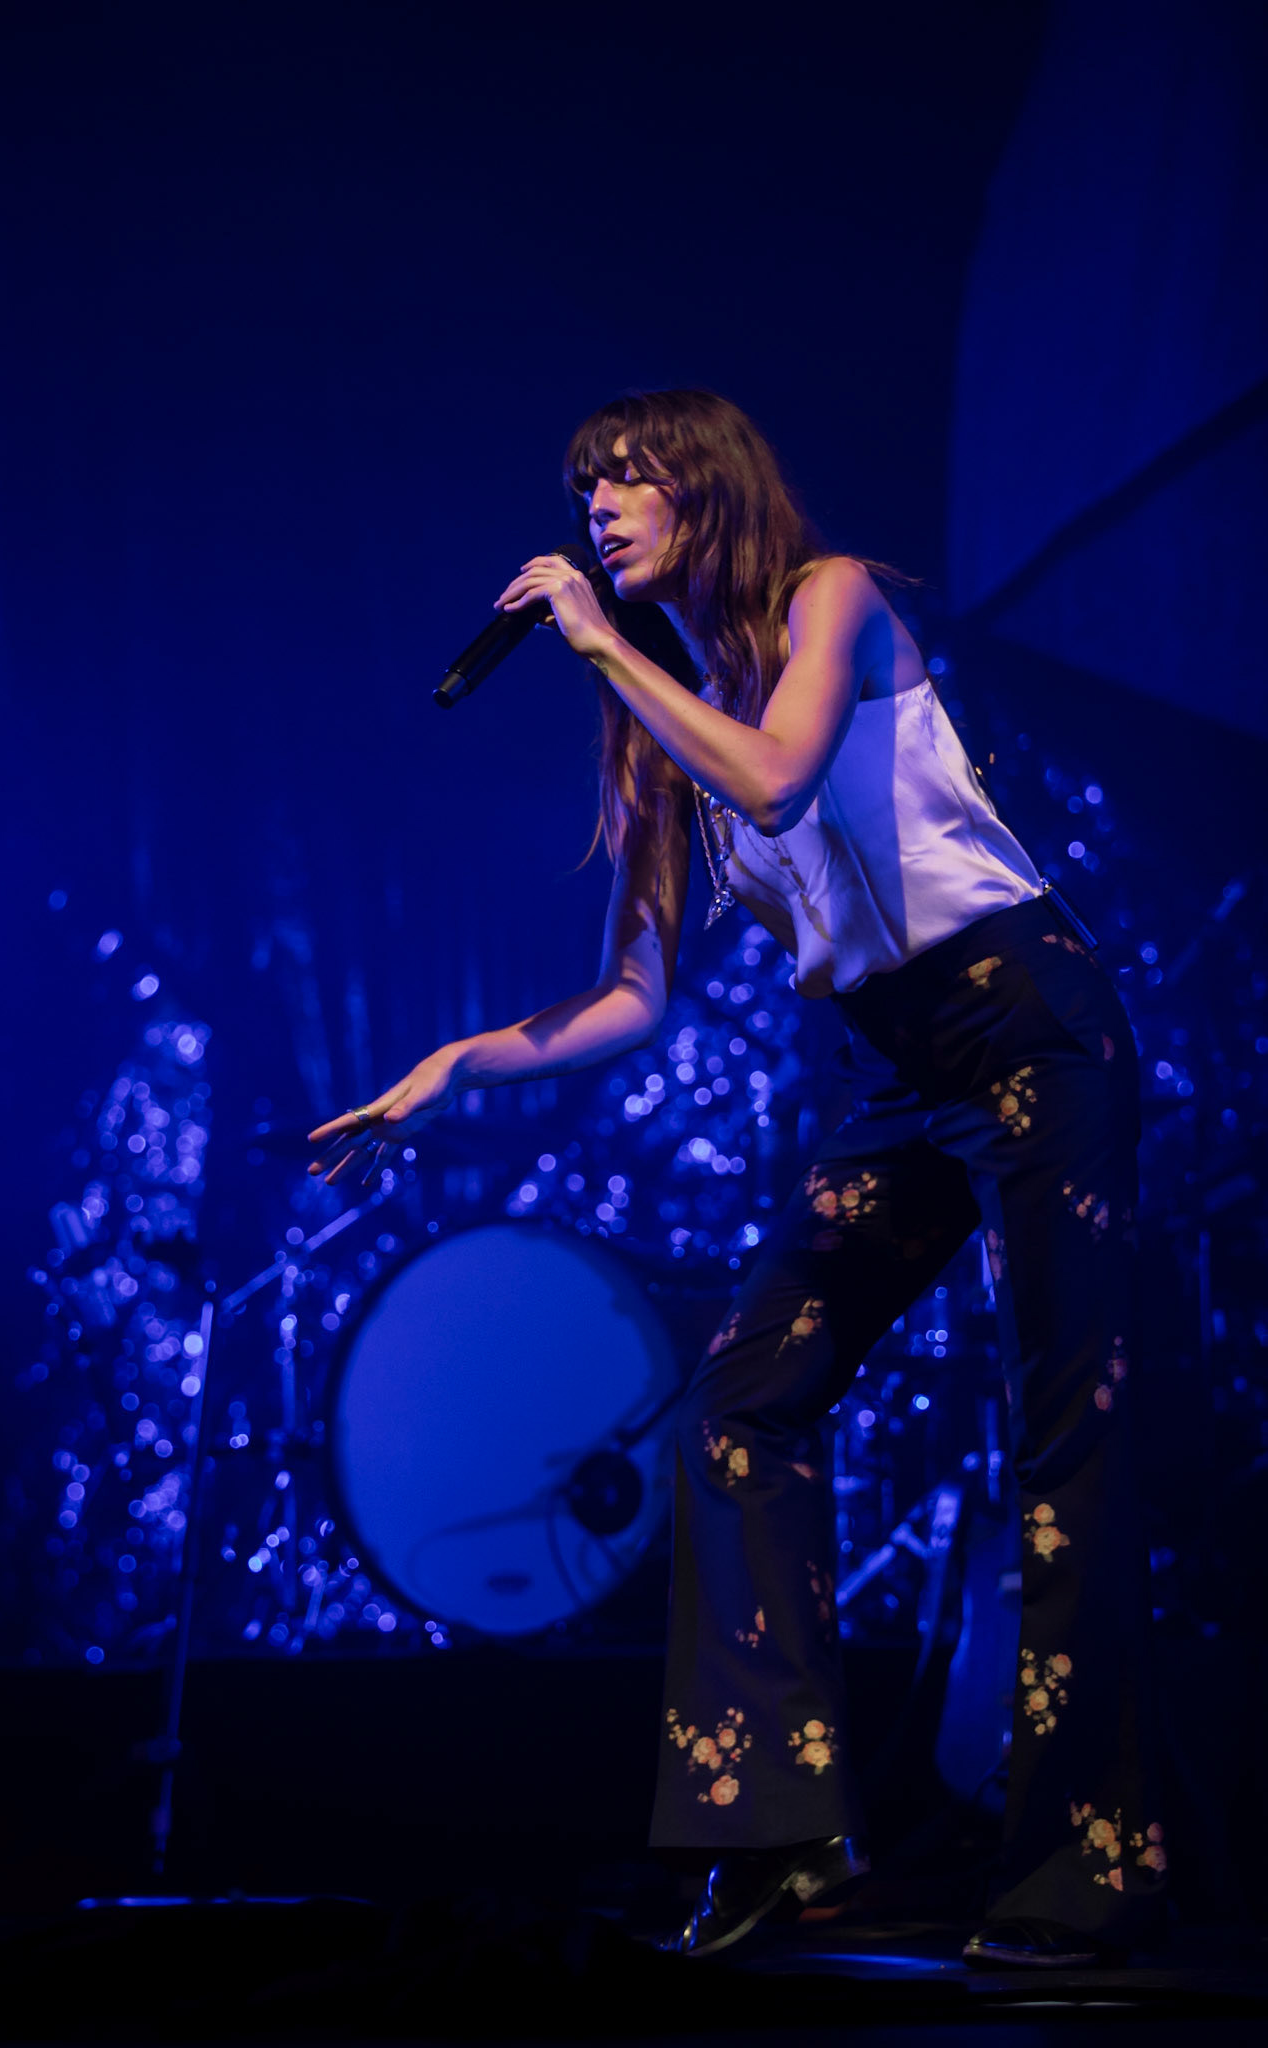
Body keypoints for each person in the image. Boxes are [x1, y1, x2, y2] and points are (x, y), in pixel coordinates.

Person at [308, 389, 1166, 1967]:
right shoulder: (658, 735)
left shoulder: (829, 599)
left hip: (1024, 1023)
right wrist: (454, 1066)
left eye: (627, 479)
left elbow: (779, 780)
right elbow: (629, 999)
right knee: (736, 1404)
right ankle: (776, 1836)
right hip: (889, 1069)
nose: (600, 512)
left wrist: (594, 649)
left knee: (1064, 1434)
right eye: (585, 492)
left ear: (705, 487)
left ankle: (1083, 1868)